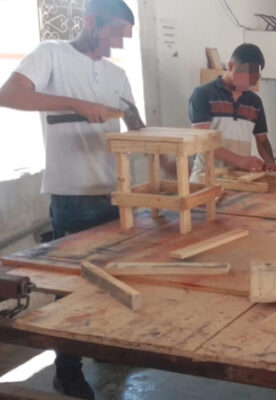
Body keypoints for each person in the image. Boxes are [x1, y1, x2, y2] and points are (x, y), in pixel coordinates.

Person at [0, 0, 139, 398]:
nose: (117, 45)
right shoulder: (52, 55)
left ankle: (105, 347)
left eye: (124, 38)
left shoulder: (117, 74)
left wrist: (164, 158)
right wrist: (76, 104)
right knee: (71, 289)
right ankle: (67, 370)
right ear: (91, 22)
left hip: (114, 194)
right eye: (114, 34)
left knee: (114, 281)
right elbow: (8, 94)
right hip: (72, 196)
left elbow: (135, 123)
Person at [189, 43, 276, 182]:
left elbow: (262, 141)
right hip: (206, 179)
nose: (248, 83)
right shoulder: (203, 94)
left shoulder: (255, 102)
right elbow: (202, 142)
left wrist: (270, 163)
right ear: (230, 66)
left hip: (239, 180)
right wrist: (240, 160)